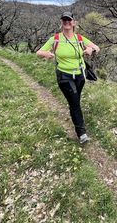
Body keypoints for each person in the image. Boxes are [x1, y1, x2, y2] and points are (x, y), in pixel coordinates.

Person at [36, 12, 100, 144]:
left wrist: (90, 50)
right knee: (75, 102)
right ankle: (82, 134)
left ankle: (75, 115)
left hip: (80, 76)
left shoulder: (79, 38)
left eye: (69, 20)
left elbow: (96, 47)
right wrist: (46, 54)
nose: (67, 22)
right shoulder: (56, 39)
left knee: (75, 101)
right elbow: (38, 52)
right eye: (64, 20)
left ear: (74, 23)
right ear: (61, 22)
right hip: (64, 76)